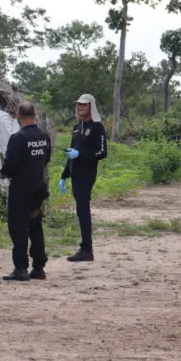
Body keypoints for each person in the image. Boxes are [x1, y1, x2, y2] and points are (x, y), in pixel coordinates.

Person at [0, 101, 52, 281]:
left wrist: (4, 173)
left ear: (18, 116)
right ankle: (38, 267)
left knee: (19, 227)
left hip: (21, 189)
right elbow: (46, 159)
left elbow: (10, 164)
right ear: (35, 114)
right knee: (35, 225)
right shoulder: (44, 136)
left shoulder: (18, 138)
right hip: (38, 187)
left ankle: (21, 268)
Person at [59, 94, 108, 262]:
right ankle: (85, 248)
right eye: (79, 104)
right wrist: (64, 175)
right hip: (75, 174)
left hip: (87, 175)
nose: (81, 107)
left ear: (91, 107)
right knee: (80, 211)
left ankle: (87, 249)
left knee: (83, 210)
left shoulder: (97, 127)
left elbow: (102, 153)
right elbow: (71, 153)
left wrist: (81, 154)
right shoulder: (76, 127)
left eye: (85, 105)